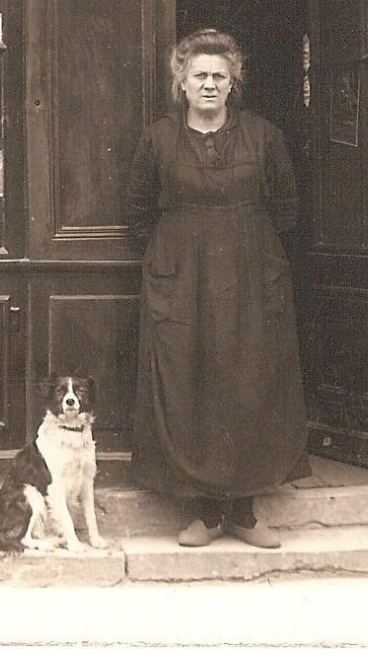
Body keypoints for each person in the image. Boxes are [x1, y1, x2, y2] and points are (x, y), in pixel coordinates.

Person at [125, 28, 307, 550]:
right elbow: (138, 212)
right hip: (182, 277)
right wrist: (173, 256)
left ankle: (245, 512)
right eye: (199, 76)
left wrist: (251, 249)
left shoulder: (263, 136)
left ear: (234, 84)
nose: (209, 85)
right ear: (181, 83)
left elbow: (286, 208)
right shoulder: (159, 138)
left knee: (251, 380)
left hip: (251, 274)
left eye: (219, 77)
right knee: (191, 381)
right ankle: (204, 511)